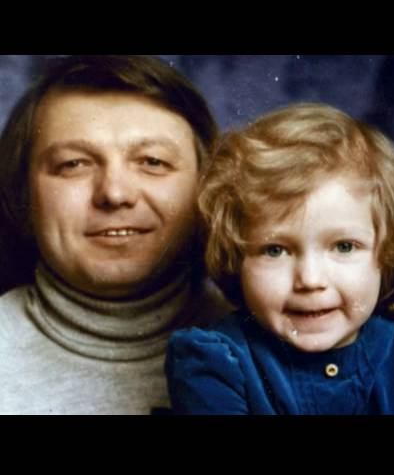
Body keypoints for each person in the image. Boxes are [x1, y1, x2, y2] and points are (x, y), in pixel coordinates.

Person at [165, 103, 394, 414]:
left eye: (344, 247)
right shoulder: (213, 363)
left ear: (390, 253)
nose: (310, 280)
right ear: (236, 259)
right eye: (275, 250)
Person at [0, 55, 231, 414]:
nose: (114, 193)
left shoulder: (280, 346)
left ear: (207, 186)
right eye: (74, 164)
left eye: (152, 162)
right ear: (23, 193)